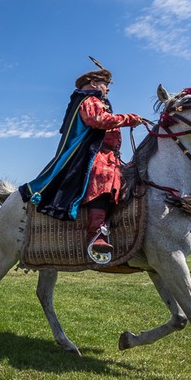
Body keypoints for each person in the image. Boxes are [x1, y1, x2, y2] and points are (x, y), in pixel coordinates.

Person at [19, 61, 143, 256]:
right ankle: (95, 235)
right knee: (103, 177)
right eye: (105, 84)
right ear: (93, 83)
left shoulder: (97, 101)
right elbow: (97, 120)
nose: (108, 89)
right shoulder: (89, 100)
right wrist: (129, 118)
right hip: (94, 155)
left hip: (109, 154)